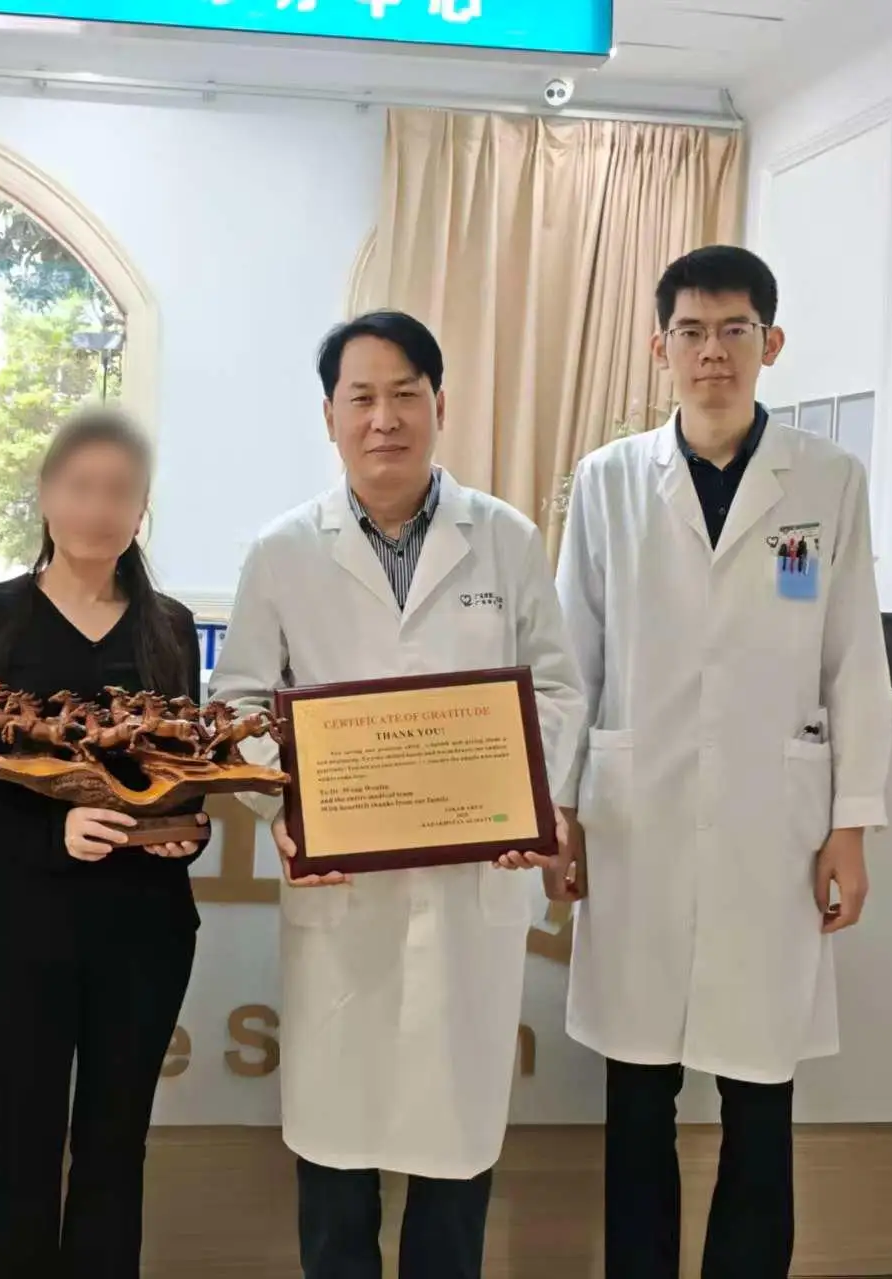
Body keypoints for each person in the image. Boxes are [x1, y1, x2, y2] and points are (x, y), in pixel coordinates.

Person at [209, 310, 585, 1279]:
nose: (384, 418)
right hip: (344, 893)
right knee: (338, 1162)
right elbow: (236, 706)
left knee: (452, 1162)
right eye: (362, 397)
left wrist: (527, 798)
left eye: (405, 394)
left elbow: (554, 688)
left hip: (469, 887)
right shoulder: (283, 551)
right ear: (330, 416)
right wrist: (288, 811)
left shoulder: (504, 539)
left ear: (439, 404)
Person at [551, 245, 891, 1279]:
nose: (712, 352)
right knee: (635, 1093)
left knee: (759, 1092)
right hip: (635, 816)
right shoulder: (608, 481)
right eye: (691, 332)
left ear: (769, 343)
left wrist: (851, 824)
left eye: (733, 330)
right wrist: (559, 810)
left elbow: (852, 657)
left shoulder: (825, 482)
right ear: (660, 346)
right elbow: (572, 659)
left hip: (770, 826)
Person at [0, 407, 208, 1279]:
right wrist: (54, 831)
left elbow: (186, 766)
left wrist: (183, 831)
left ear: (142, 507)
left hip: (146, 929)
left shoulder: (168, 624)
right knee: (25, 1143)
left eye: (119, 491)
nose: (97, 508)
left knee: (116, 1146)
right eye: (80, 487)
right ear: (46, 496)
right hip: (22, 923)